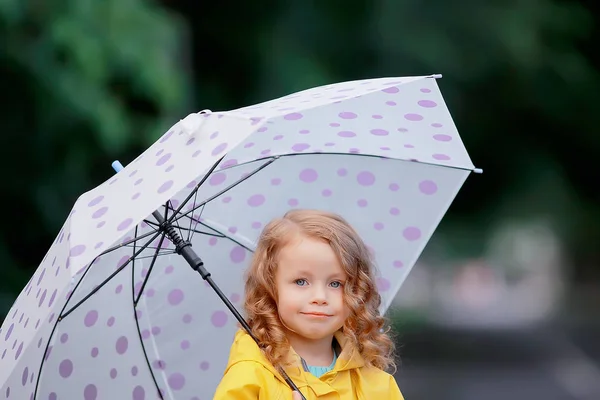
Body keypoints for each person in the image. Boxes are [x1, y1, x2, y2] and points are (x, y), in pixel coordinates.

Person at [214, 209, 404, 399]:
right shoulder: (250, 375)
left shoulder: (376, 386)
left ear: (358, 291)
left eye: (335, 283)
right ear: (270, 287)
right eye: (301, 281)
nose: (320, 297)